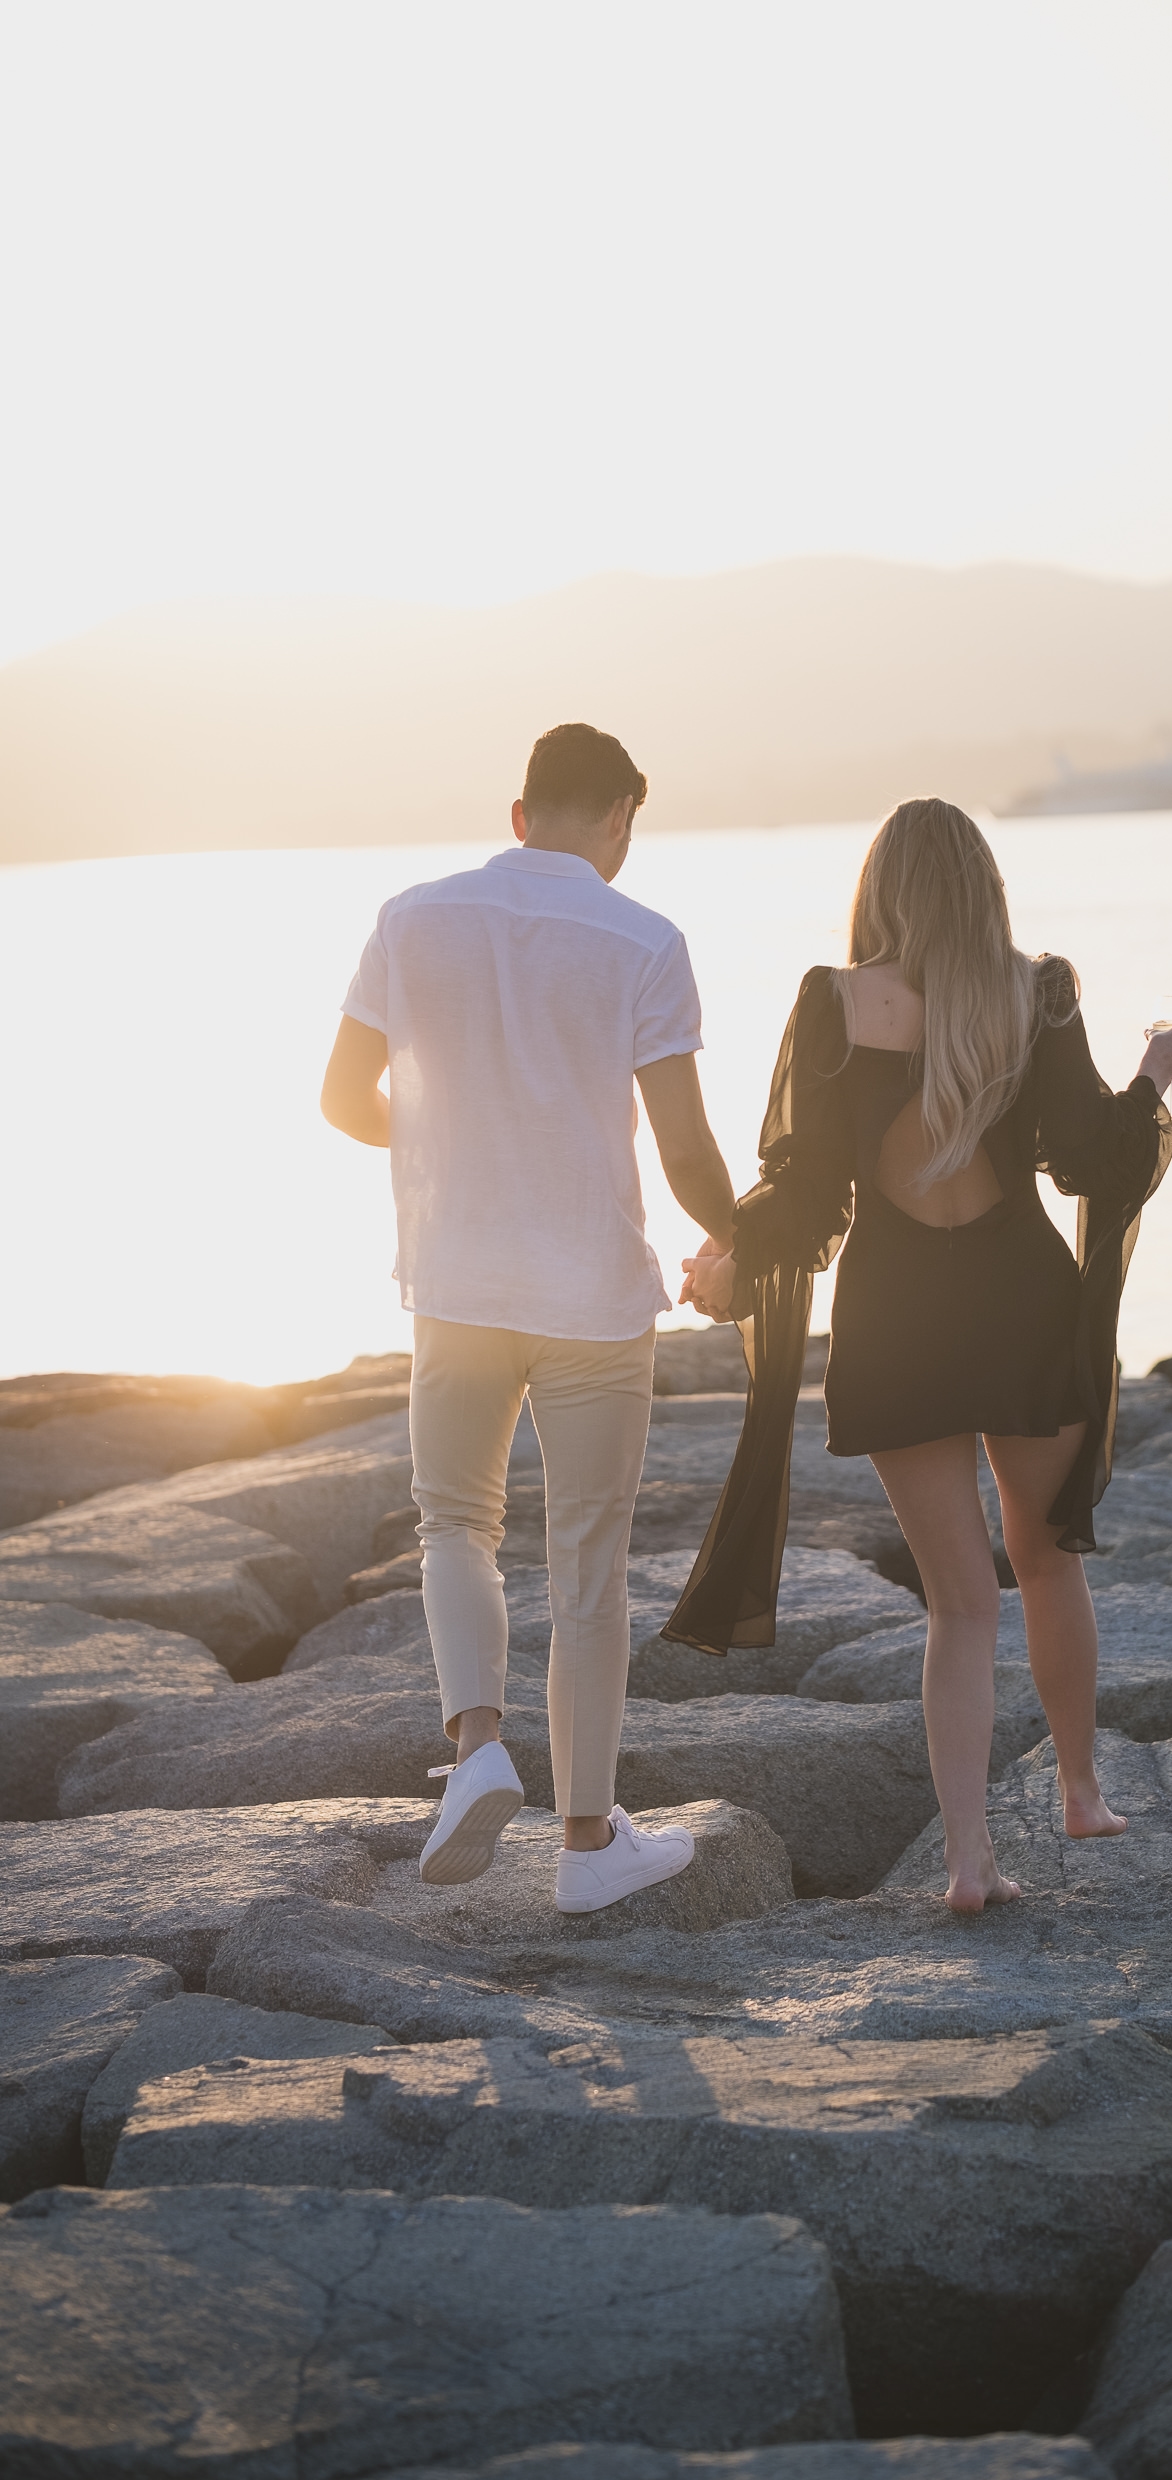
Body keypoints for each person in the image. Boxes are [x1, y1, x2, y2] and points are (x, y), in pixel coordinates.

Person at [668, 797, 1172, 1913]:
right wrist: (1157, 1069)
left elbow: (806, 1186)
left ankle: (968, 1859)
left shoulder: (832, 1001)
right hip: (1023, 1304)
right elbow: (1093, 1159)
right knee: (1046, 1562)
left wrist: (733, 1252)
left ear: (881, 890)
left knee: (959, 1604)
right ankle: (1079, 1791)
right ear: (982, 887)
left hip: (896, 1320)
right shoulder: (1038, 991)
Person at [320, 723, 738, 1911]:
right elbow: (685, 1148)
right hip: (593, 1296)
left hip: (456, 1281)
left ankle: (476, 1750)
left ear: (518, 813)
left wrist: (448, 1148)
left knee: (454, 1523)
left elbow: (342, 1097)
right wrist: (745, 1236)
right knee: (587, 1564)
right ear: (619, 819)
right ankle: (587, 1846)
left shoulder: (410, 919)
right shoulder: (645, 939)